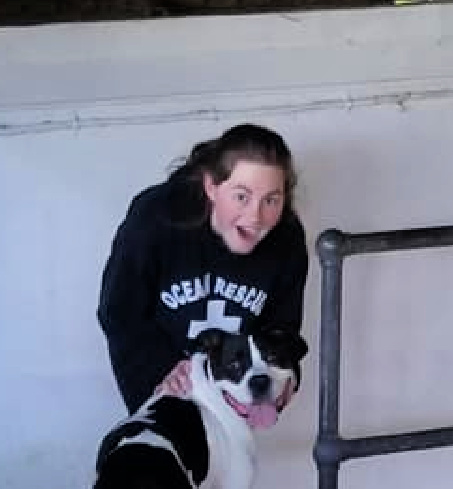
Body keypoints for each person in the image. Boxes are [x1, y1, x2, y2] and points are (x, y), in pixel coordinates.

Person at [97, 123, 308, 414]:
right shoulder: (155, 219)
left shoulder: (287, 237)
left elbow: (282, 327)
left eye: (271, 200)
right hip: (161, 385)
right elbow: (119, 311)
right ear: (211, 186)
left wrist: (286, 373)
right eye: (241, 196)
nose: (255, 216)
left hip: (234, 389)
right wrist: (161, 371)